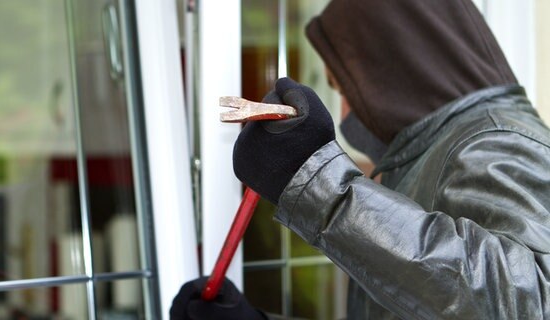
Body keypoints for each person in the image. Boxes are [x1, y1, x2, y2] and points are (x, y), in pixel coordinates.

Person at [171, 0, 550, 319]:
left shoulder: (493, 140)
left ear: (392, 70)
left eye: (345, 89)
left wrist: (324, 188)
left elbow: (531, 303)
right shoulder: (426, 153)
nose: (344, 108)